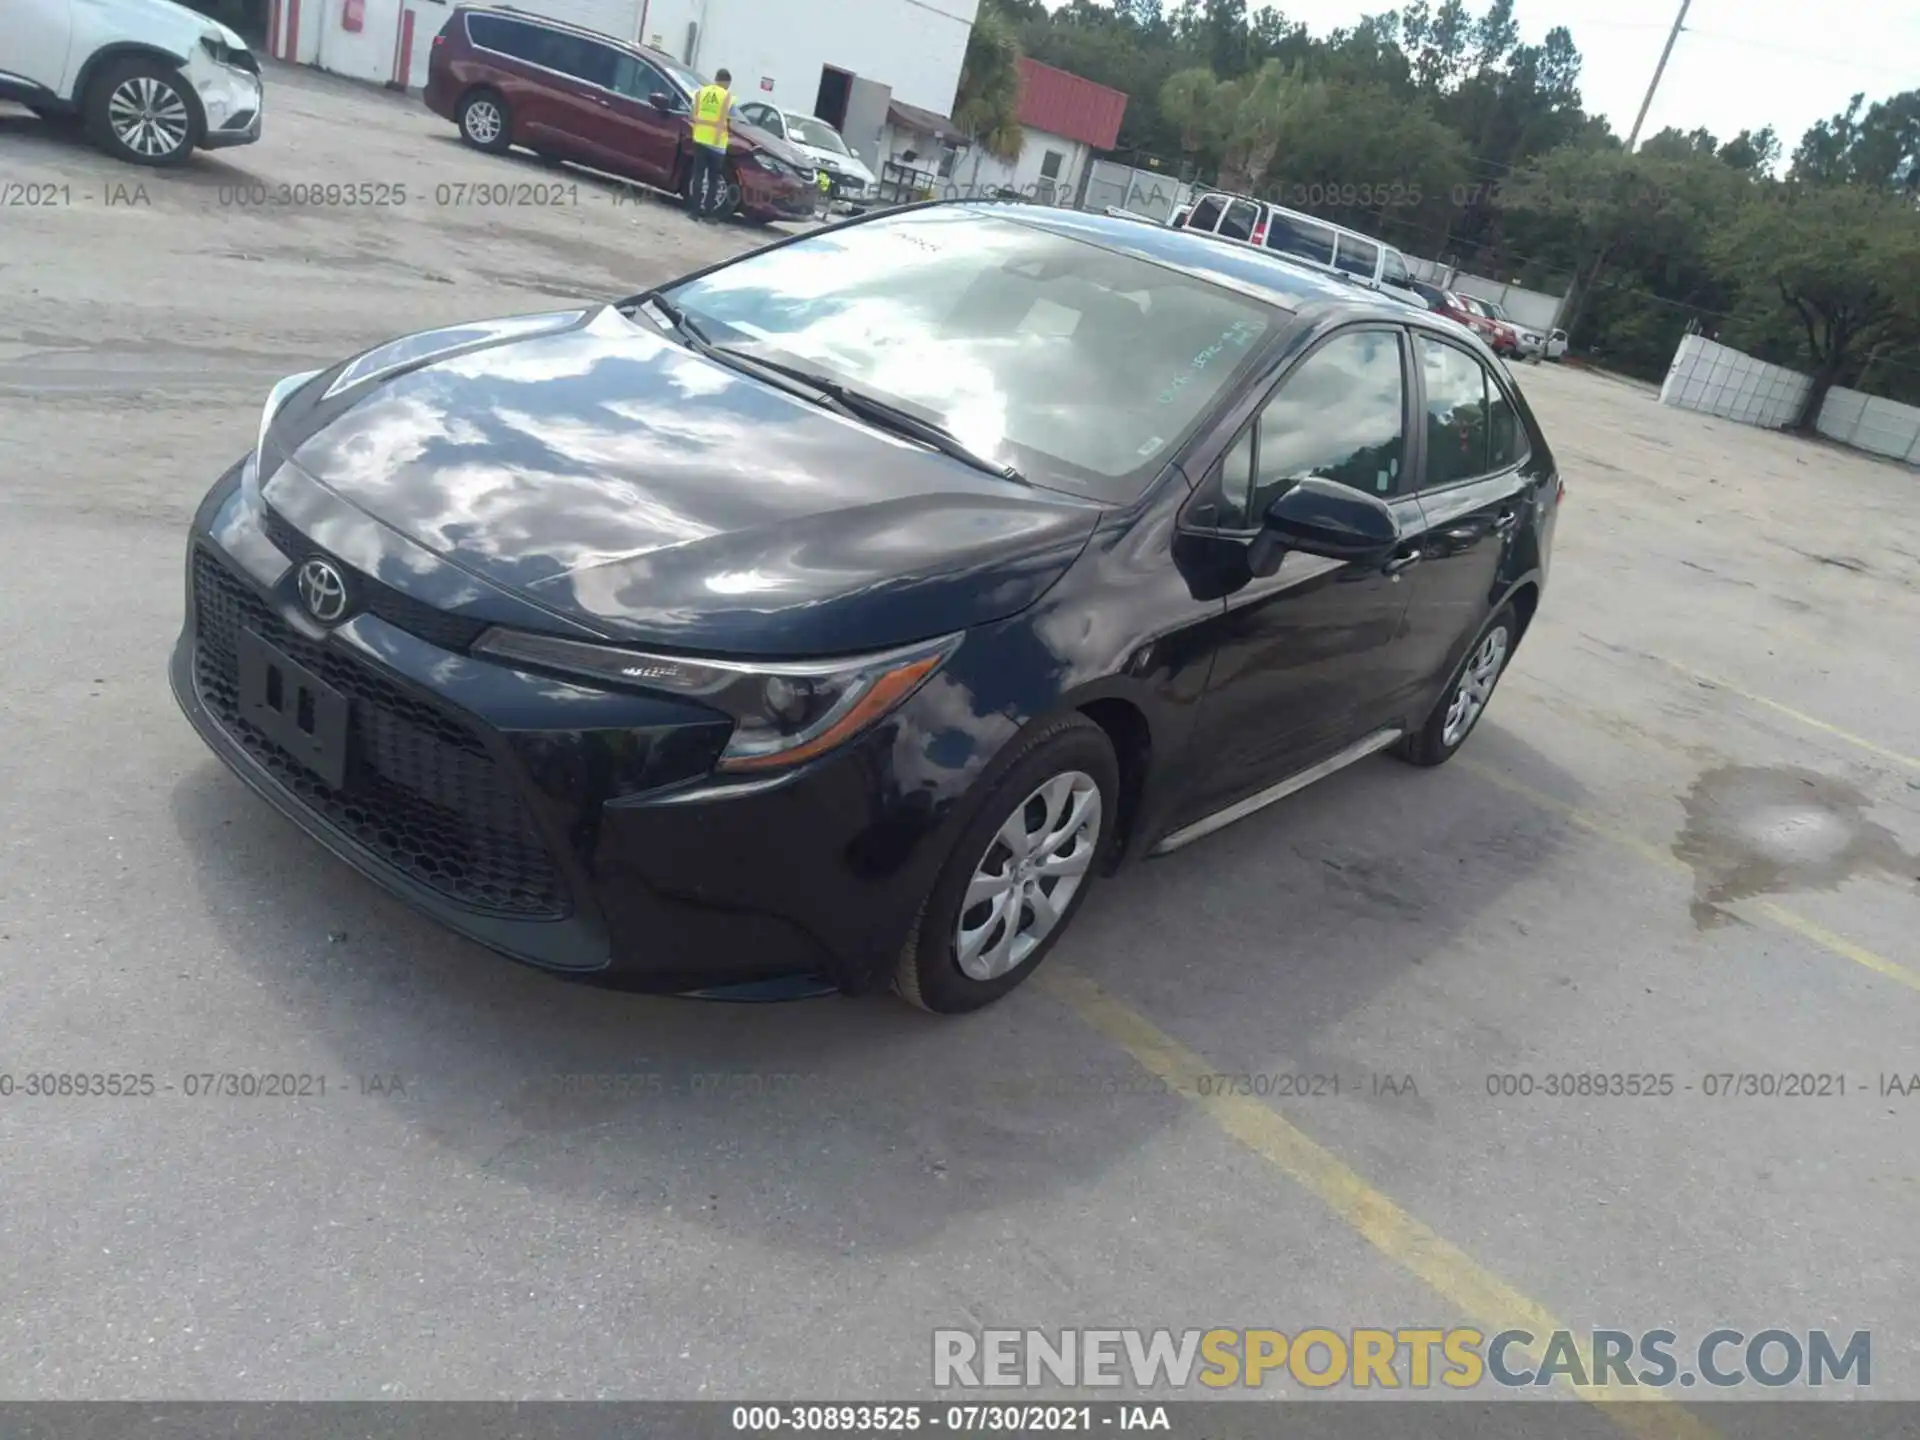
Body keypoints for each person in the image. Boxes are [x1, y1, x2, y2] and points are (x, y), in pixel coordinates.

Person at [687, 68, 732, 221]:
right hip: (717, 144)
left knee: (698, 176)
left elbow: (693, 116)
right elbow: (723, 119)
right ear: (726, 82)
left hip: (699, 139)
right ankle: (708, 214)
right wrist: (717, 137)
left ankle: (694, 212)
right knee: (713, 179)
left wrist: (703, 124)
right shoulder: (726, 96)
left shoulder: (701, 92)